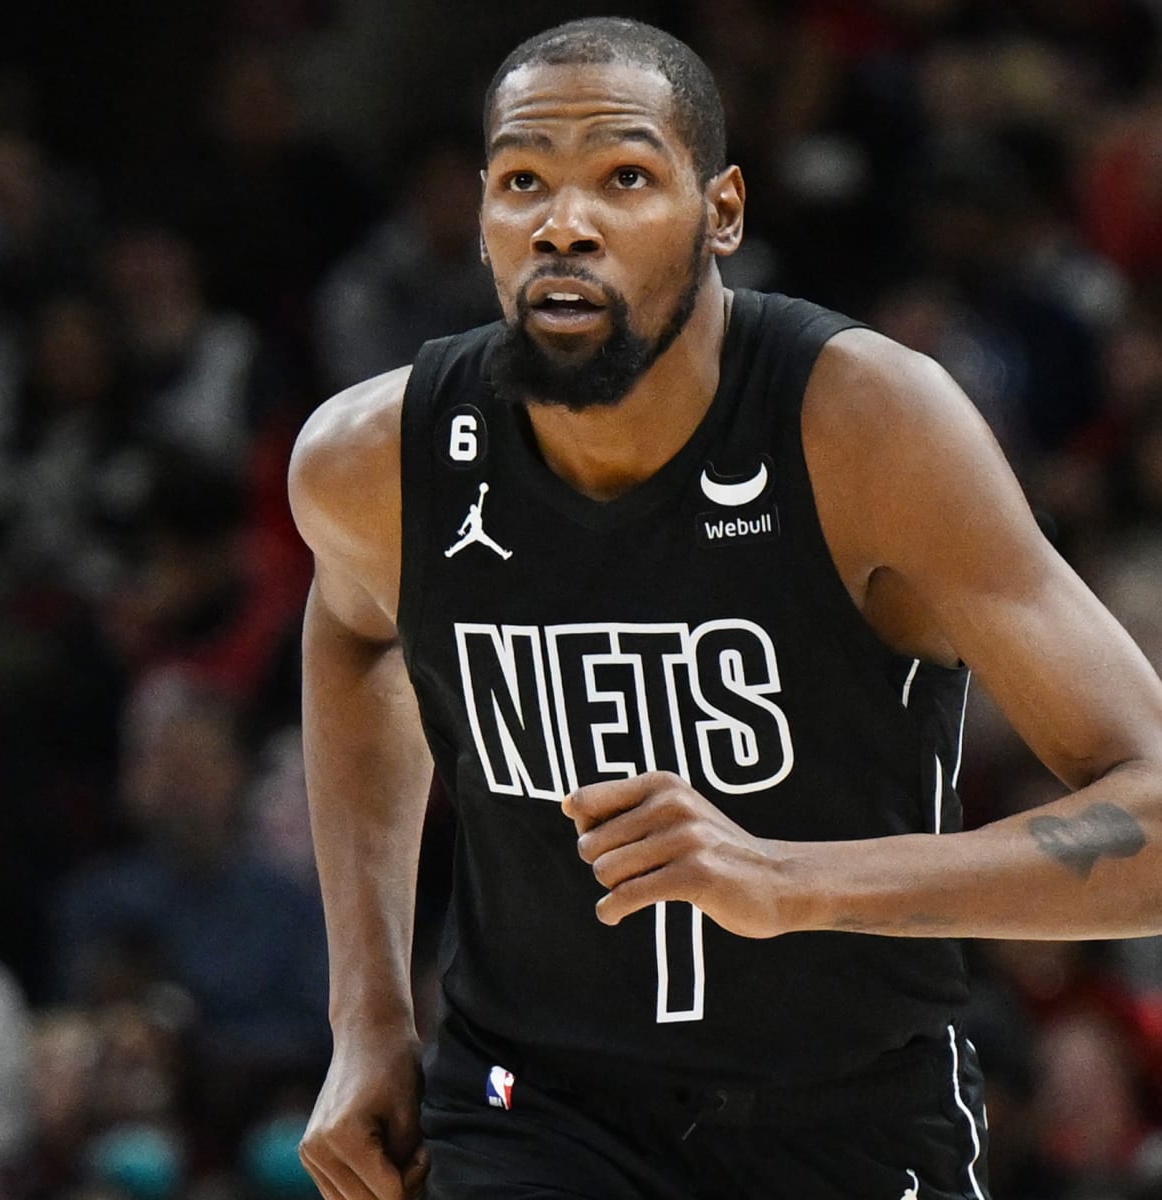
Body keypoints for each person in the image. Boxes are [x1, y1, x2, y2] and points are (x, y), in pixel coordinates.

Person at [288, 17, 1162, 1200]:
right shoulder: (375, 460)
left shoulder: (866, 427)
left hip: (845, 1115)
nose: (564, 222)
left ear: (723, 212)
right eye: (522, 181)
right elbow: (353, 631)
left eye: (625, 177)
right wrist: (368, 1016)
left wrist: (790, 882)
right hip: (532, 1108)